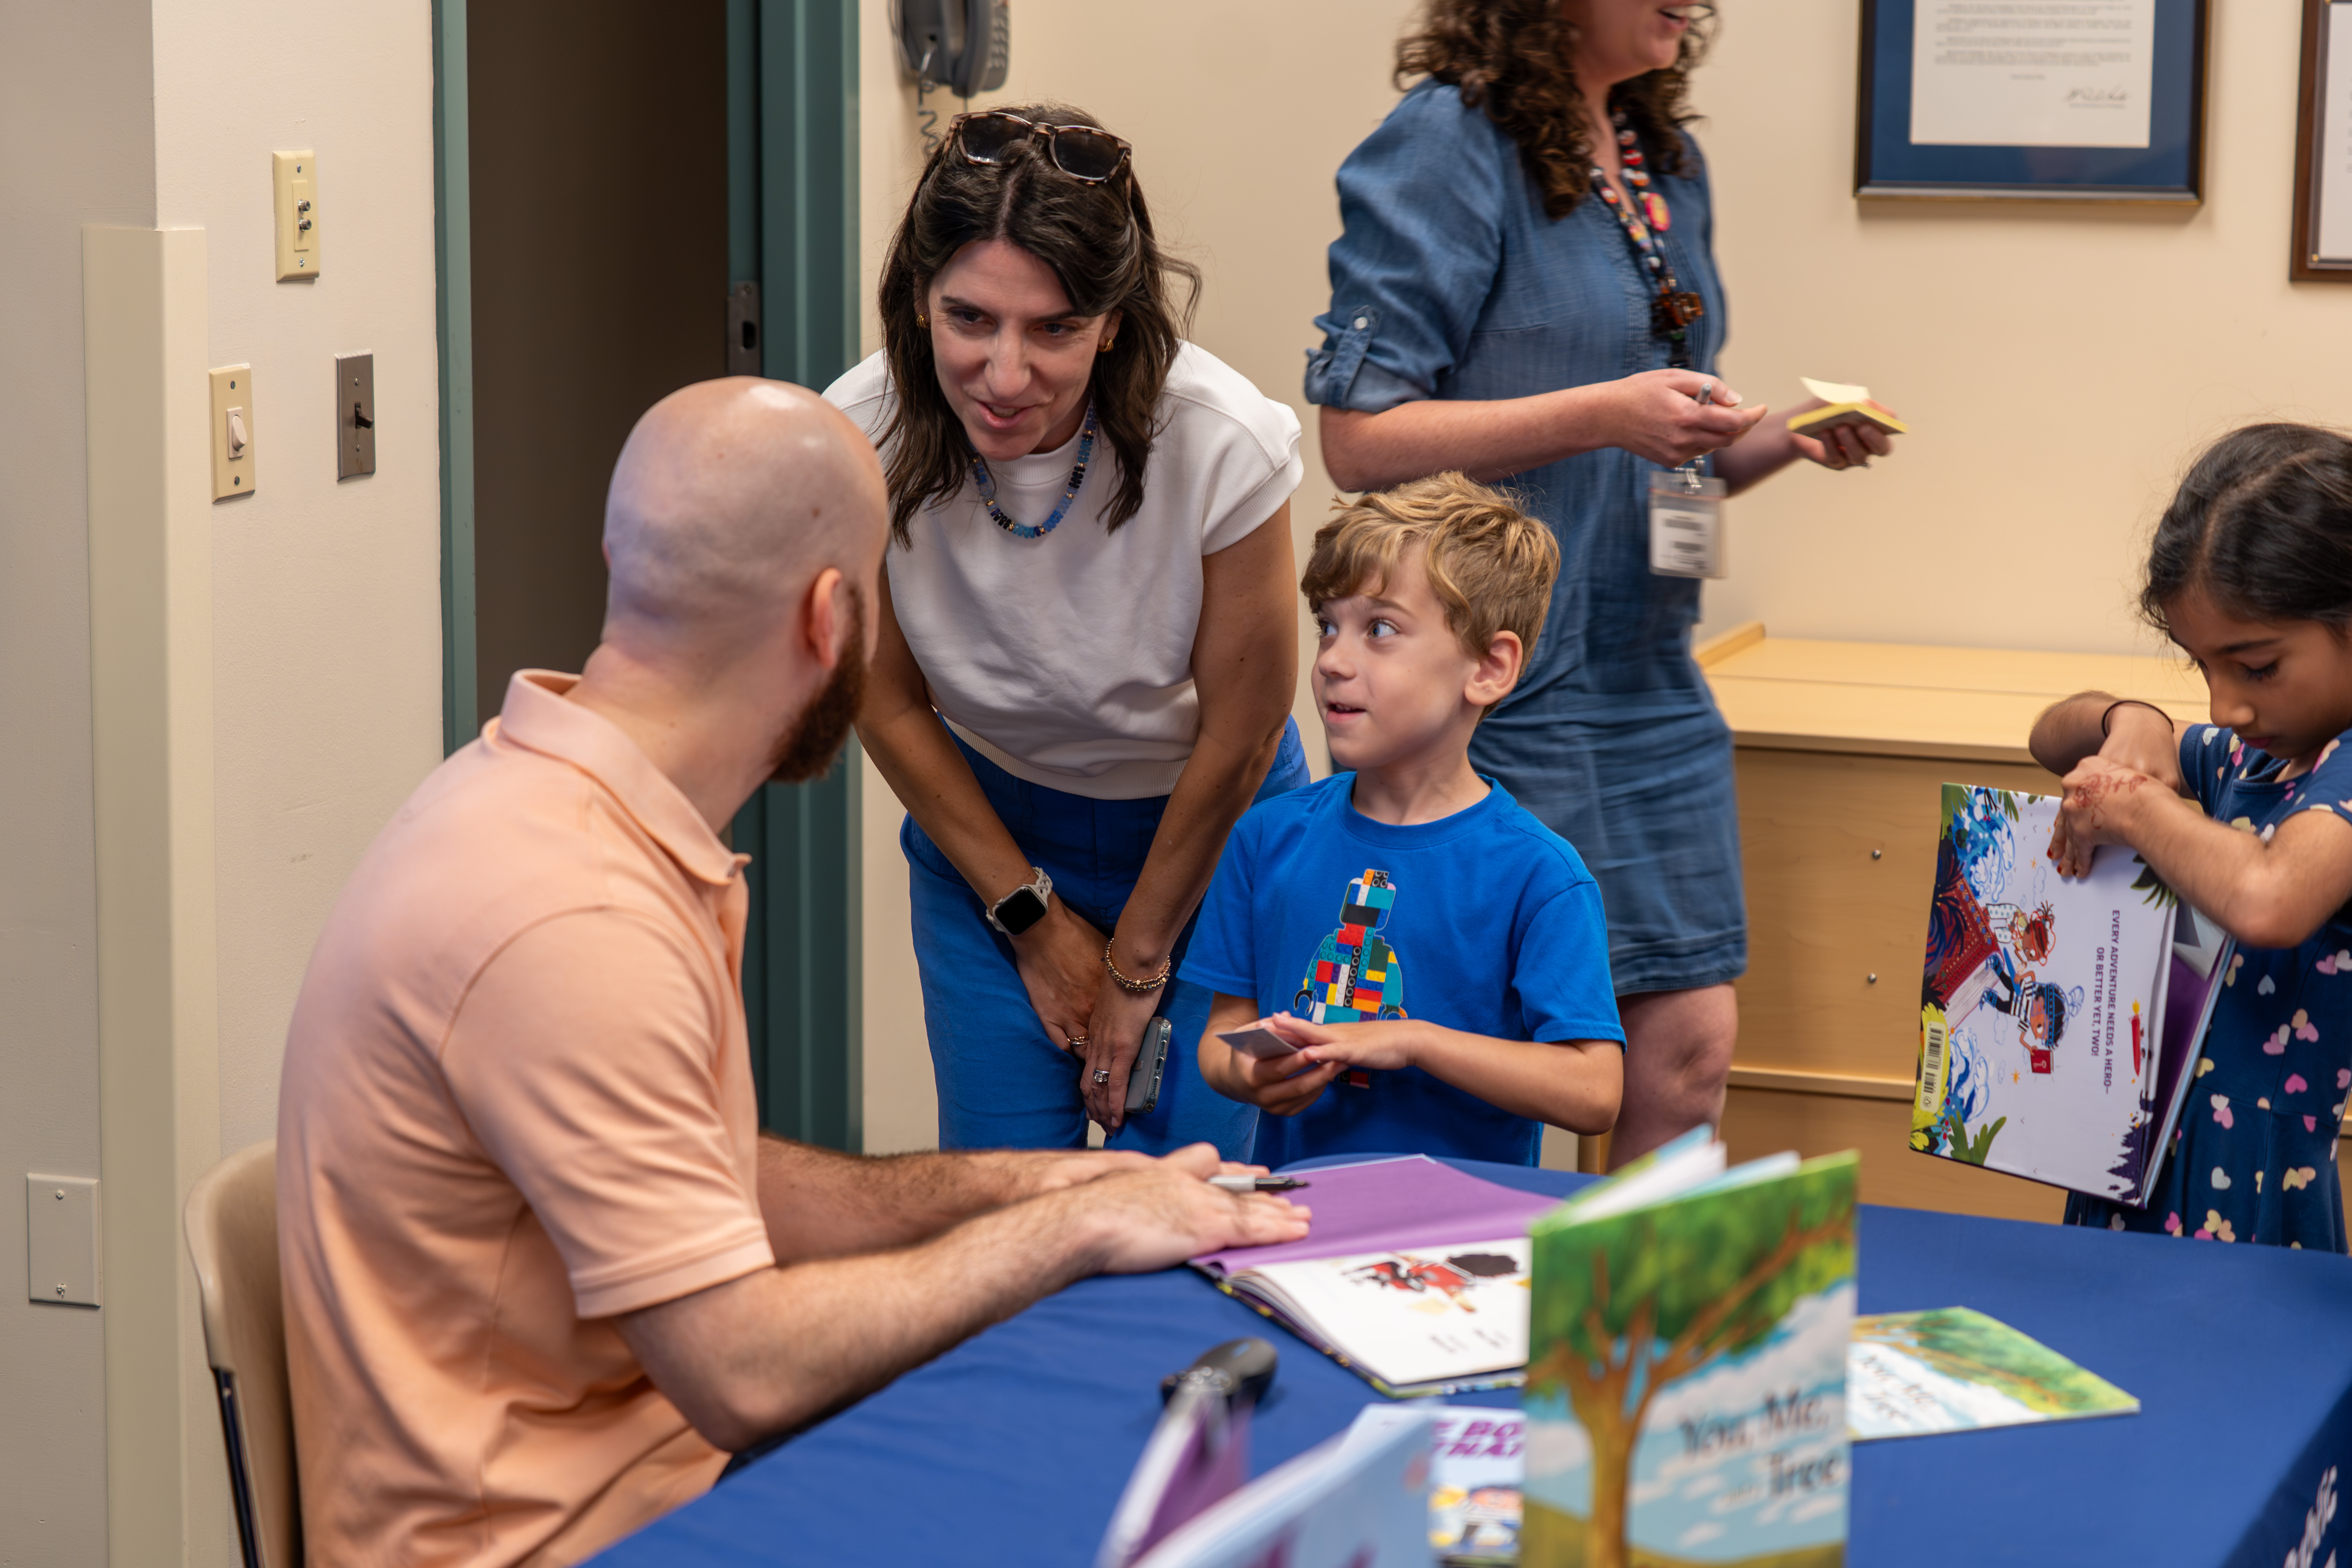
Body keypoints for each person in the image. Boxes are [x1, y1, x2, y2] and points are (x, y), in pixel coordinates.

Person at [274, 379, 1309, 1568]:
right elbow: (744, 1372)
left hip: (666, 1478)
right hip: (566, 1536)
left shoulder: (548, 804)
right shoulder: (571, 918)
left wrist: (1049, 1190)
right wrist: (1065, 1241)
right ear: (833, 618)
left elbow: (695, 1183)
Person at [1304, 0, 1900, 1165]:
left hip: (1645, 677)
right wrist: (1604, 414)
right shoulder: (1448, 144)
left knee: (1687, 1055)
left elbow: (1675, 450)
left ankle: (1636, 1346)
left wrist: (1782, 434)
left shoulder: (1662, 161)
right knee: (1481, 1071)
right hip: (1490, 685)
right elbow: (1359, 439)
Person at [833, 104, 1308, 1159]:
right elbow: (885, 699)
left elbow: (1243, 730)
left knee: (1208, 1207)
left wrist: (1139, 964)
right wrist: (1032, 922)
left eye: (1053, 329)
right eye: (969, 319)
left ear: (1115, 321)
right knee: (1007, 1205)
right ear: (916, 302)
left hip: (1214, 835)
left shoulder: (1222, 444)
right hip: (993, 837)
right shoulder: (857, 433)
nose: (1005, 377)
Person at [1187, 474, 1626, 1166]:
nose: (1332, 659)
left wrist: (1412, 1041)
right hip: (1301, 1221)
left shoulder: (1540, 876)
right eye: (1328, 625)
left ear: (1488, 666)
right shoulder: (1267, 837)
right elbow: (1222, 1036)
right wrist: (1250, 1074)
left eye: (1380, 630)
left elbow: (1594, 1090)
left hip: (1466, 1241)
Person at [2031, 423, 2352, 1252]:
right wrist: (2129, 718)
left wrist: (2136, 806)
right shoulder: (2249, 757)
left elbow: (2271, 897)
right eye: (2201, 666)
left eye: (2256, 666)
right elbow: (2049, 735)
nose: (2224, 708)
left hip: (2256, 1188)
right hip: (2134, 1155)